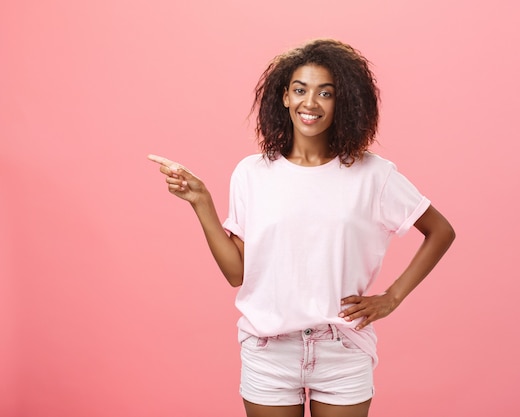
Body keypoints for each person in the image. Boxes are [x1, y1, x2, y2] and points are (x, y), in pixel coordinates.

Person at [148, 38, 455, 417]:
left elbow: (441, 231)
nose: (310, 102)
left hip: (341, 348)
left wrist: (391, 297)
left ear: (342, 102)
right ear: (284, 98)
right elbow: (236, 273)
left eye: (325, 92)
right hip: (269, 348)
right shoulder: (252, 173)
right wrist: (202, 203)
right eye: (300, 90)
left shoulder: (373, 175)